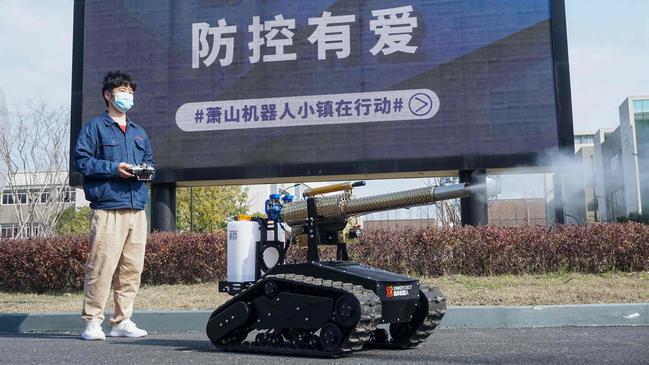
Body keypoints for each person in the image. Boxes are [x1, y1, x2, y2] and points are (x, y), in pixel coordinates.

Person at [74, 70, 155, 340]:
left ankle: (122, 321)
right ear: (108, 95)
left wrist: (146, 171)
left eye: (131, 92)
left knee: (132, 269)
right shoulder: (95, 127)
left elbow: (151, 163)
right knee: (101, 266)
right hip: (108, 207)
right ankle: (92, 323)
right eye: (122, 92)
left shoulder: (138, 132)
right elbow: (82, 161)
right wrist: (113, 169)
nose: (128, 97)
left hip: (136, 208)